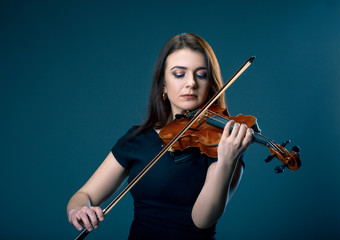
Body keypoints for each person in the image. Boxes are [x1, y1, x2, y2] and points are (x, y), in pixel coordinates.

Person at [67, 33, 254, 240]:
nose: (191, 83)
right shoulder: (137, 140)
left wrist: (227, 161)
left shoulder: (225, 145)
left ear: (210, 85)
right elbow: (83, 196)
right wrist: (78, 209)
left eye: (201, 75)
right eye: (179, 74)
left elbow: (203, 220)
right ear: (163, 85)